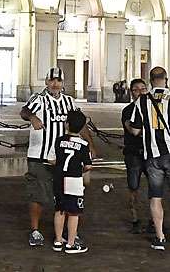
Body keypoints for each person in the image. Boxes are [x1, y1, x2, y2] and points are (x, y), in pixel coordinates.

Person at [127, 66, 170, 252]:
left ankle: (159, 237)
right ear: (166, 79)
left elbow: (134, 129)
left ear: (150, 80)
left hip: (152, 155)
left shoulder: (142, 101)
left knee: (155, 196)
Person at [20, 67, 76, 247]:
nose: (55, 84)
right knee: (38, 194)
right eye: (52, 80)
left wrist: (89, 145)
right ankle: (35, 230)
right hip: (39, 155)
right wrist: (33, 118)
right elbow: (24, 111)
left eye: (58, 80)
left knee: (65, 195)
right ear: (46, 81)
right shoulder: (39, 99)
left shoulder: (69, 102)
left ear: (62, 83)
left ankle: (65, 232)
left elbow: (79, 121)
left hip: (63, 156)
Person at [52, 109, 93, 254]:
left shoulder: (59, 140)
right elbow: (88, 165)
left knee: (60, 209)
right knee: (74, 212)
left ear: (66, 124)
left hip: (59, 179)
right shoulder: (83, 144)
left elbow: (53, 159)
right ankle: (71, 243)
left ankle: (58, 241)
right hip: (74, 180)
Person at [121, 78, 149, 233]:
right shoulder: (127, 110)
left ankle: (154, 219)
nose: (140, 93)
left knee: (155, 188)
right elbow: (133, 131)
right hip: (133, 154)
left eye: (143, 89)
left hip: (151, 154)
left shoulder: (153, 108)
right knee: (133, 186)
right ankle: (135, 217)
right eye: (136, 90)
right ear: (131, 92)